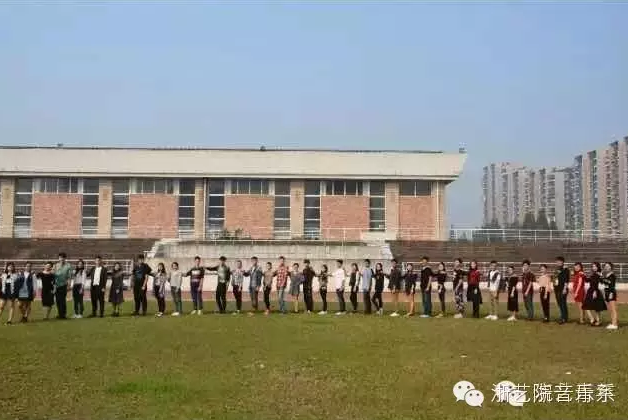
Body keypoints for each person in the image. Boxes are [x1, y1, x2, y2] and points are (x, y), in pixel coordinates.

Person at [583, 261, 606, 326]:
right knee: (587, 306)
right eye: (593, 266)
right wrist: (584, 275)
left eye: (595, 266)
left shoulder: (598, 274)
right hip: (591, 291)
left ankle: (598, 321)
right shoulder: (593, 274)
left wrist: (595, 291)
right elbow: (588, 280)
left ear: (598, 267)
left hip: (595, 291)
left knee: (597, 308)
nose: (594, 267)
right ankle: (592, 320)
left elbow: (599, 282)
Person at [54, 252, 73, 320]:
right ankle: (59, 314)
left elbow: (69, 277)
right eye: (60, 257)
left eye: (63, 257)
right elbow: (53, 274)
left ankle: (63, 315)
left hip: (64, 285)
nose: (61, 259)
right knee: (57, 300)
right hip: (56, 285)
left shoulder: (68, 266)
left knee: (62, 300)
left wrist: (69, 285)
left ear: (65, 258)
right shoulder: (56, 265)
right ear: (58, 258)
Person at [553, 256, 570, 324]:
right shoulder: (556, 270)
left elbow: (566, 280)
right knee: (559, 303)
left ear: (562, 262)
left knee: (563, 304)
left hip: (563, 289)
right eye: (557, 261)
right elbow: (554, 278)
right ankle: (563, 316)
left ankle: (563, 318)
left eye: (559, 261)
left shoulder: (566, 270)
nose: (558, 262)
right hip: (557, 289)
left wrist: (565, 288)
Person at [601, 262, 618, 330]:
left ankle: (615, 324)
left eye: (608, 266)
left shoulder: (612, 275)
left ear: (611, 267)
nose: (606, 267)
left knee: (613, 309)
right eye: (605, 266)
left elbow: (611, 284)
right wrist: (601, 278)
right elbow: (603, 282)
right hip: (607, 292)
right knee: (610, 309)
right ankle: (612, 322)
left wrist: (611, 294)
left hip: (611, 293)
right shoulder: (606, 275)